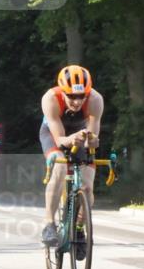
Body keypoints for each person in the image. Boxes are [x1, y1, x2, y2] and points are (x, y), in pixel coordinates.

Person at [39, 65, 104, 252]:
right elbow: (59, 139)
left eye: (81, 96)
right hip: (54, 134)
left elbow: (92, 138)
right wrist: (70, 140)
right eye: (71, 96)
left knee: (87, 185)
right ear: (62, 91)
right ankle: (49, 223)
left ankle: (79, 228)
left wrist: (91, 141)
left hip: (80, 133)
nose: (76, 102)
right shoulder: (50, 98)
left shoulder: (95, 99)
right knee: (59, 167)